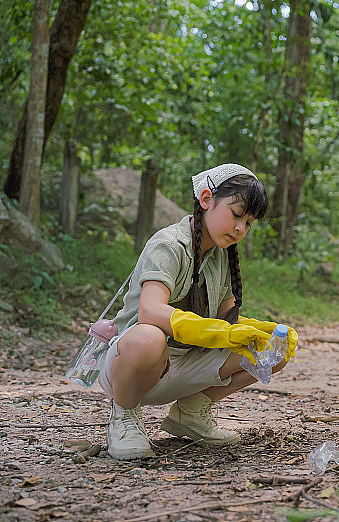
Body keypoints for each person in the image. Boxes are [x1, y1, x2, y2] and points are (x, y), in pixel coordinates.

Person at [97, 163, 299, 460]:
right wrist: (215, 331)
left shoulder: (221, 256)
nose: (241, 229)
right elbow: (149, 312)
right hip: (133, 365)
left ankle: (190, 413)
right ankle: (124, 416)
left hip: (184, 364)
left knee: (272, 350)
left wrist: (263, 331)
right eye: (236, 215)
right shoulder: (168, 244)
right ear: (206, 200)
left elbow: (227, 319)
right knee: (148, 338)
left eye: (249, 223)